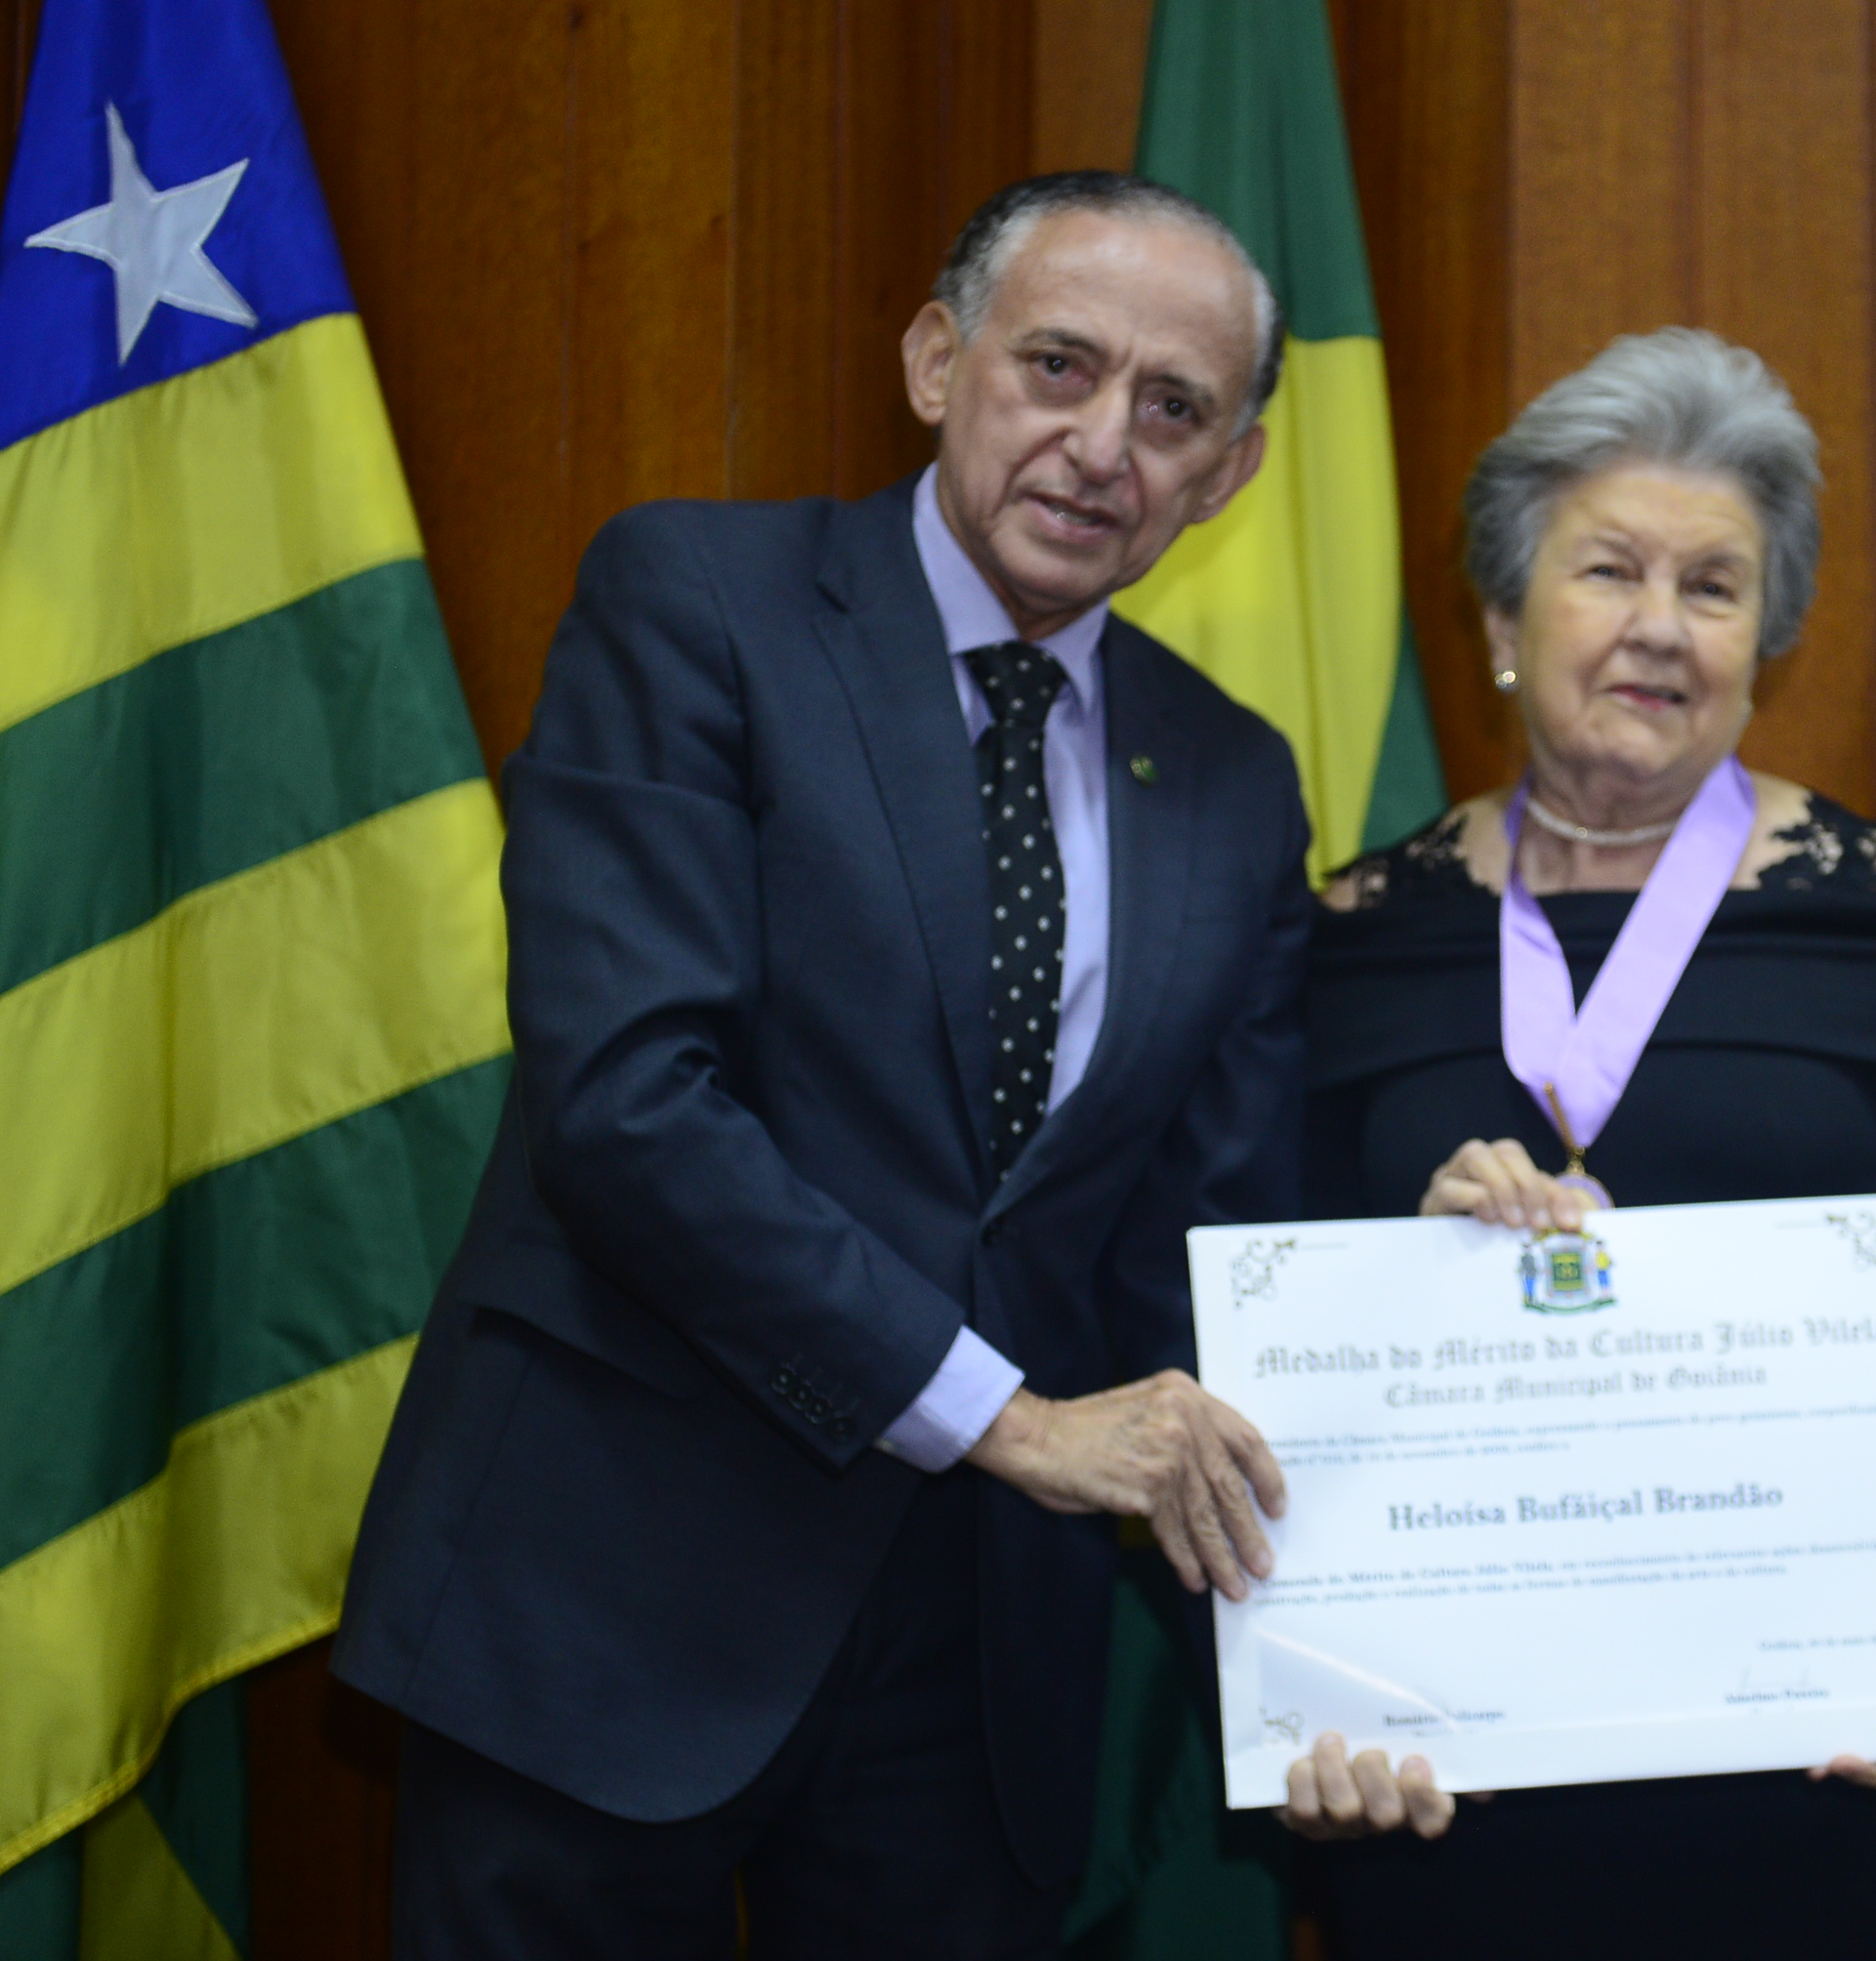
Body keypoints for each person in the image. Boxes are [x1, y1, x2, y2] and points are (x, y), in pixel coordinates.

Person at [334, 172, 1309, 1960]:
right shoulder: (698, 600)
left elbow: (1207, 1251)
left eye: (1172, 409)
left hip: (977, 1675)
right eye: (1060, 366)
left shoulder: (1236, 779)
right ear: (939, 362)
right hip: (611, 1603)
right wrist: (1008, 1422)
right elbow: (629, 1105)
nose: (1104, 445)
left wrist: (1350, 1663)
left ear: (1229, 472)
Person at [1281, 329, 1876, 1956]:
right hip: (1463, 1795)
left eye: (1715, 586)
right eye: (1609, 570)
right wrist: (1400, 1277)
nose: (1660, 624)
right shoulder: (1357, 938)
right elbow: (1274, 1336)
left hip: (1839, 1767)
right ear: (1504, 621)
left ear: (1762, 641)